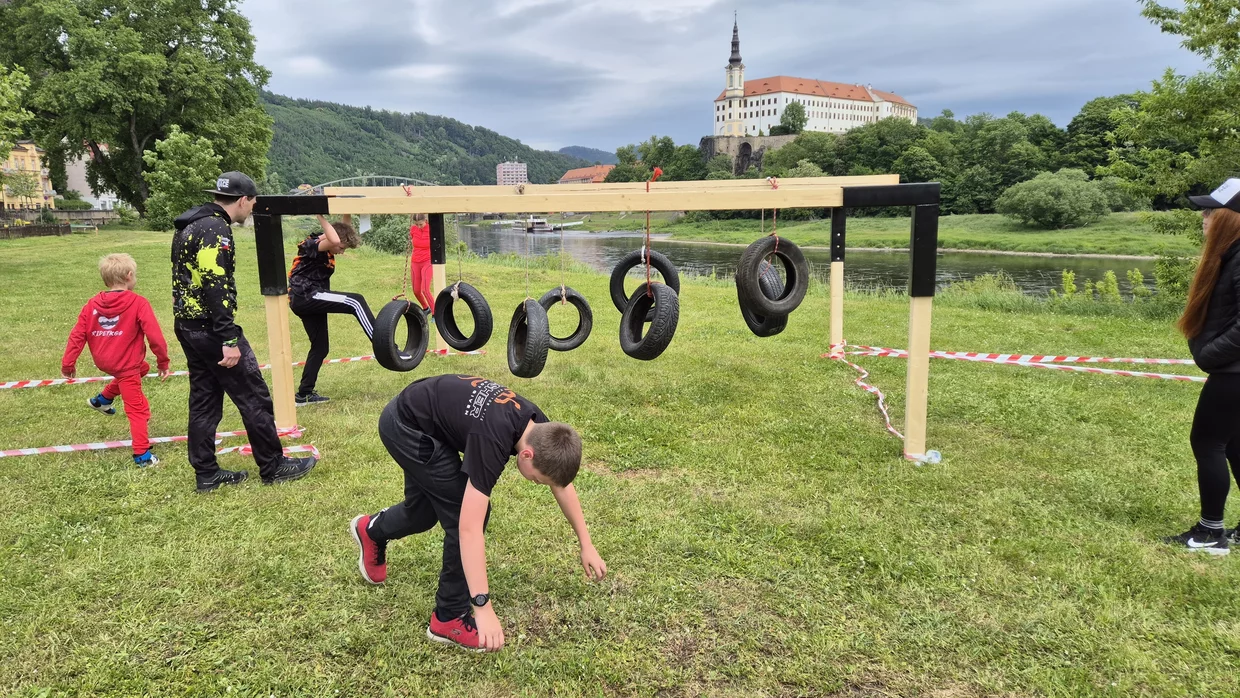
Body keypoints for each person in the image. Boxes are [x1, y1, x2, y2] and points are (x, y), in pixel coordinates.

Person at [348, 374, 606, 652]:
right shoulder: (491, 440)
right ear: (526, 456)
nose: (538, 484)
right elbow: (468, 528)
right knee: (465, 513)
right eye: (538, 480)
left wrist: (586, 544)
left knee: (422, 513)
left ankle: (371, 530)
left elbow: (563, 487)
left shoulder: (540, 428)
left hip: (422, 418)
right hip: (406, 426)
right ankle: (448, 617)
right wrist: (482, 606)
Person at [171, 171, 318, 493]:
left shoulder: (191, 225)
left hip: (187, 325)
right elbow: (214, 283)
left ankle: (206, 472)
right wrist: (228, 338)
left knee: (204, 400)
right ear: (242, 200)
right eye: (252, 202)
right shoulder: (215, 229)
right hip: (212, 329)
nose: (252, 209)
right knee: (254, 397)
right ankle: (274, 465)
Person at [1166, 178, 1240, 555]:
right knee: (1234, 444)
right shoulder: (1233, 254)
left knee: (1207, 441)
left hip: (1234, 373)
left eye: (1211, 212)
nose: (1204, 218)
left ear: (1232, 218)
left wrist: (1212, 355)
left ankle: (1211, 533)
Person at [61, 253, 171, 467]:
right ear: (129, 276)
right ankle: (142, 456)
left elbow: (77, 335)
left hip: (105, 361)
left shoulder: (91, 303)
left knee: (143, 367)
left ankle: (103, 399)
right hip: (125, 365)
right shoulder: (139, 302)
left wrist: (68, 364)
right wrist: (163, 361)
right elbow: (155, 335)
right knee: (138, 410)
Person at [288, 214, 374, 406]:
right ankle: (381, 341)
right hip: (306, 294)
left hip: (308, 298)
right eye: (342, 248)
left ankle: (304, 394)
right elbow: (335, 238)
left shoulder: (329, 241)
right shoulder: (313, 244)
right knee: (355, 301)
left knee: (320, 347)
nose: (341, 252)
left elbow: (342, 230)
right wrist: (319, 213)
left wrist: (347, 211)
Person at [409, 214, 434, 317]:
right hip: (415, 261)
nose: (419, 226)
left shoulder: (431, 229)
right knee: (416, 290)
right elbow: (412, 240)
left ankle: (435, 313)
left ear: (426, 221)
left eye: (421, 224)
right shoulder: (413, 229)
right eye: (416, 224)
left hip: (427, 261)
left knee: (425, 289)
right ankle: (425, 308)